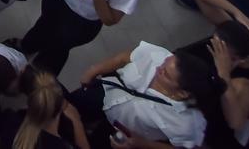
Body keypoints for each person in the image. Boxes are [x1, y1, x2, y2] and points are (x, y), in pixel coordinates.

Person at [72, 42, 214, 149]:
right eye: (164, 63)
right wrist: (94, 70)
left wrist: (142, 144)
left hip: (123, 130)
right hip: (107, 91)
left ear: (183, 93)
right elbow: (124, 58)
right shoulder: (160, 56)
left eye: (165, 74)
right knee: (72, 107)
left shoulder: (185, 123)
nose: (158, 67)